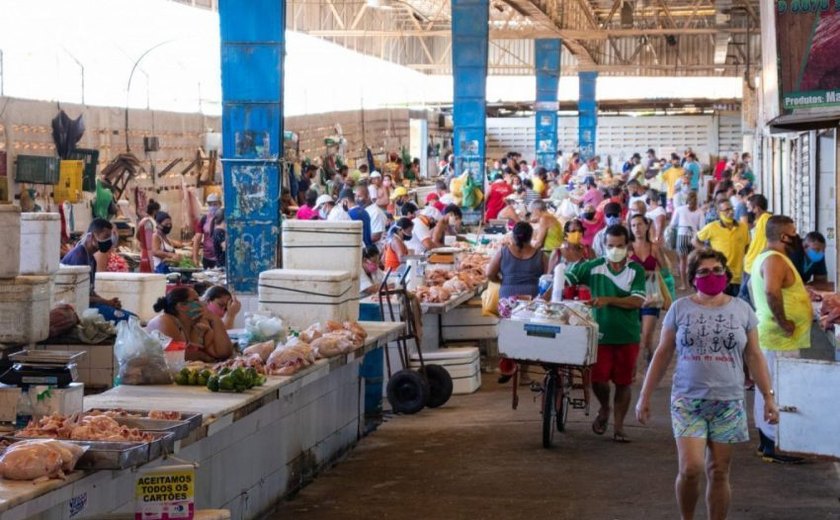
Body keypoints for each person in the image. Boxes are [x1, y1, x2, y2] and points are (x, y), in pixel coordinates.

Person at [635, 248, 778, 520]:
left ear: (726, 273)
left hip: (729, 401)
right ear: (692, 277)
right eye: (703, 271)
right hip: (688, 401)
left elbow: (755, 355)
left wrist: (768, 397)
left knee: (719, 471)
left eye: (717, 270)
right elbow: (663, 353)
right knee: (691, 468)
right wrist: (644, 395)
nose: (711, 275)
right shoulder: (680, 309)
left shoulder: (742, 310)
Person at [566, 225, 645, 442]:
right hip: (600, 335)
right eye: (611, 246)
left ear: (627, 245)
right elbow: (568, 278)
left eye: (620, 246)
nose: (615, 249)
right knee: (598, 380)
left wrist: (609, 300)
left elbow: (637, 300)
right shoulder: (593, 266)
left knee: (623, 383)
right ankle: (604, 408)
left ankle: (619, 427)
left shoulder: (635, 270)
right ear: (604, 245)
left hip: (627, 335)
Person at [750, 216, 812, 463]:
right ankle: (776, 443)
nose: (797, 236)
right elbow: (771, 292)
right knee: (777, 390)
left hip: (775, 337)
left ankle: (768, 442)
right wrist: (783, 321)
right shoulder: (774, 259)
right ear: (784, 236)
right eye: (793, 232)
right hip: (779, 338)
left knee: (767, 388)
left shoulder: (768, 257)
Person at [61, 219, 136, 323]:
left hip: (89, 304)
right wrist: (106, 302)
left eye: (109, 238)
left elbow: (90, 292)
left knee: (133, 318)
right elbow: (78, 296)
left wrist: (108, 302)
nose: (108, 241)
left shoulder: (91, 258)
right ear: (92, 236)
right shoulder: (79, 257)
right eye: (105, 237)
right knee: (129, 320)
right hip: (76, 309)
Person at [147, 287, 234, 363]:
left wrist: (215, 319)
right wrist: (201, 355)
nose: (202, 304)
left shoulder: (200, 327)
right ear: (181, 306)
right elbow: (174, 355)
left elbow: (223, 353)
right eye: (196, 300)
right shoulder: (163, 321)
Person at [629, 214, 668, 365]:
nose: (637, 229)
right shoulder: (628, 248)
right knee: (633, 337)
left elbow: (665, 271)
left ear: (646, 226)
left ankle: (649, 369)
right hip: (632, 297)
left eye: (639, 224)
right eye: (633, 225)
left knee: (646, 338)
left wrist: (654, 274)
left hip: (652, 296)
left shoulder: (654, 248)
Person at [694, 199, 749, 297]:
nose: (731, 212)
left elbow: (747, 247)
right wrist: (707, 251)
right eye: (727, 210)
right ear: (719, 213)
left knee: (736, 306)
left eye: (731, 209)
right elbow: (695, 240)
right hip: (720, 274)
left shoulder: (743, 227)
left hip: (738, 276)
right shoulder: (712, 227)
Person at [487, 220, 547, 300]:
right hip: (532, 297)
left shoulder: (502, 252)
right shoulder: (541, 255)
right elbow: (548, 278)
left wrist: (502, 281)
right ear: (531, 236)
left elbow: (489, 274)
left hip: (507, 297)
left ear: (513, 236)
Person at [738, 194, 771, 307]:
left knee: (744, 299)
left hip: (754, 265)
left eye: (749, 207)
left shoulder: (766, 219)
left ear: (756, 208)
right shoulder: (759, 221)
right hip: (750, 264)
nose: (747, 211)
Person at [670, 191, 705, 290]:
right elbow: (702, 227)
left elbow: (672, 224)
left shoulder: (679, 209)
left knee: (682, 261)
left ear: (686, 200)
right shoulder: (700, 212)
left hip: (682, 235)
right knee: (694, 262)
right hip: (694, 238)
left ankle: (684, 284)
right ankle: (695, 283)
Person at [192, 193, 222, 268]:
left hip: (220, 258)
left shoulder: (224, 219)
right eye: (210, 205)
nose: (212, 207)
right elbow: (197, 239)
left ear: (220, 204)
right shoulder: (204, 219)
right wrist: (195, 258)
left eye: (215, 204)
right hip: (207, 258)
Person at [136, 199, 161, 273]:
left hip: (144, 250)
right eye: (158, 211)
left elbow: (137, 235)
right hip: (150, 253)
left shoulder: (143, 220)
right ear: (155, 211)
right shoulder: (151, 222)